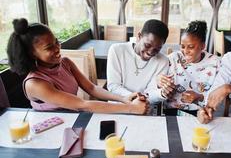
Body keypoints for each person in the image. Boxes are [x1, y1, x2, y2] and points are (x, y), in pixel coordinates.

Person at [6, 18, 148, 114]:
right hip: (50, 130)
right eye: (49, 47)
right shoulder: (34, 83)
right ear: (31, 54)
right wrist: (131, 108)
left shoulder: (65, 63)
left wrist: (124, 98)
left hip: (73, 120)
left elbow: (92, 88)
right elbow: (82, 104)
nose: (57, 49)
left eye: (56, 42)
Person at [157, 21, 220, 116]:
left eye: (191, 47)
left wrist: (200, 97)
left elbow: (218, 95)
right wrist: (159, 80)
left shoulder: (215, 63)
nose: (185, 51)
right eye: (182, 46)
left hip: (201, 113)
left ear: (203, 46)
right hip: (172, 111)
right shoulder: (173, 58)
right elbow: (155, 84)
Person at [107, 19, 169, 105]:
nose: (150, 52)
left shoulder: (163, 61)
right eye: (147, 45)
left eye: (157, 49)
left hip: (144, 109)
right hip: (118, 106)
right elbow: (113, 86)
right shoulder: (117, 50)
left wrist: (161, 93)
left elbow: (151, 91)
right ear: (139, 36)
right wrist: (135, 98)